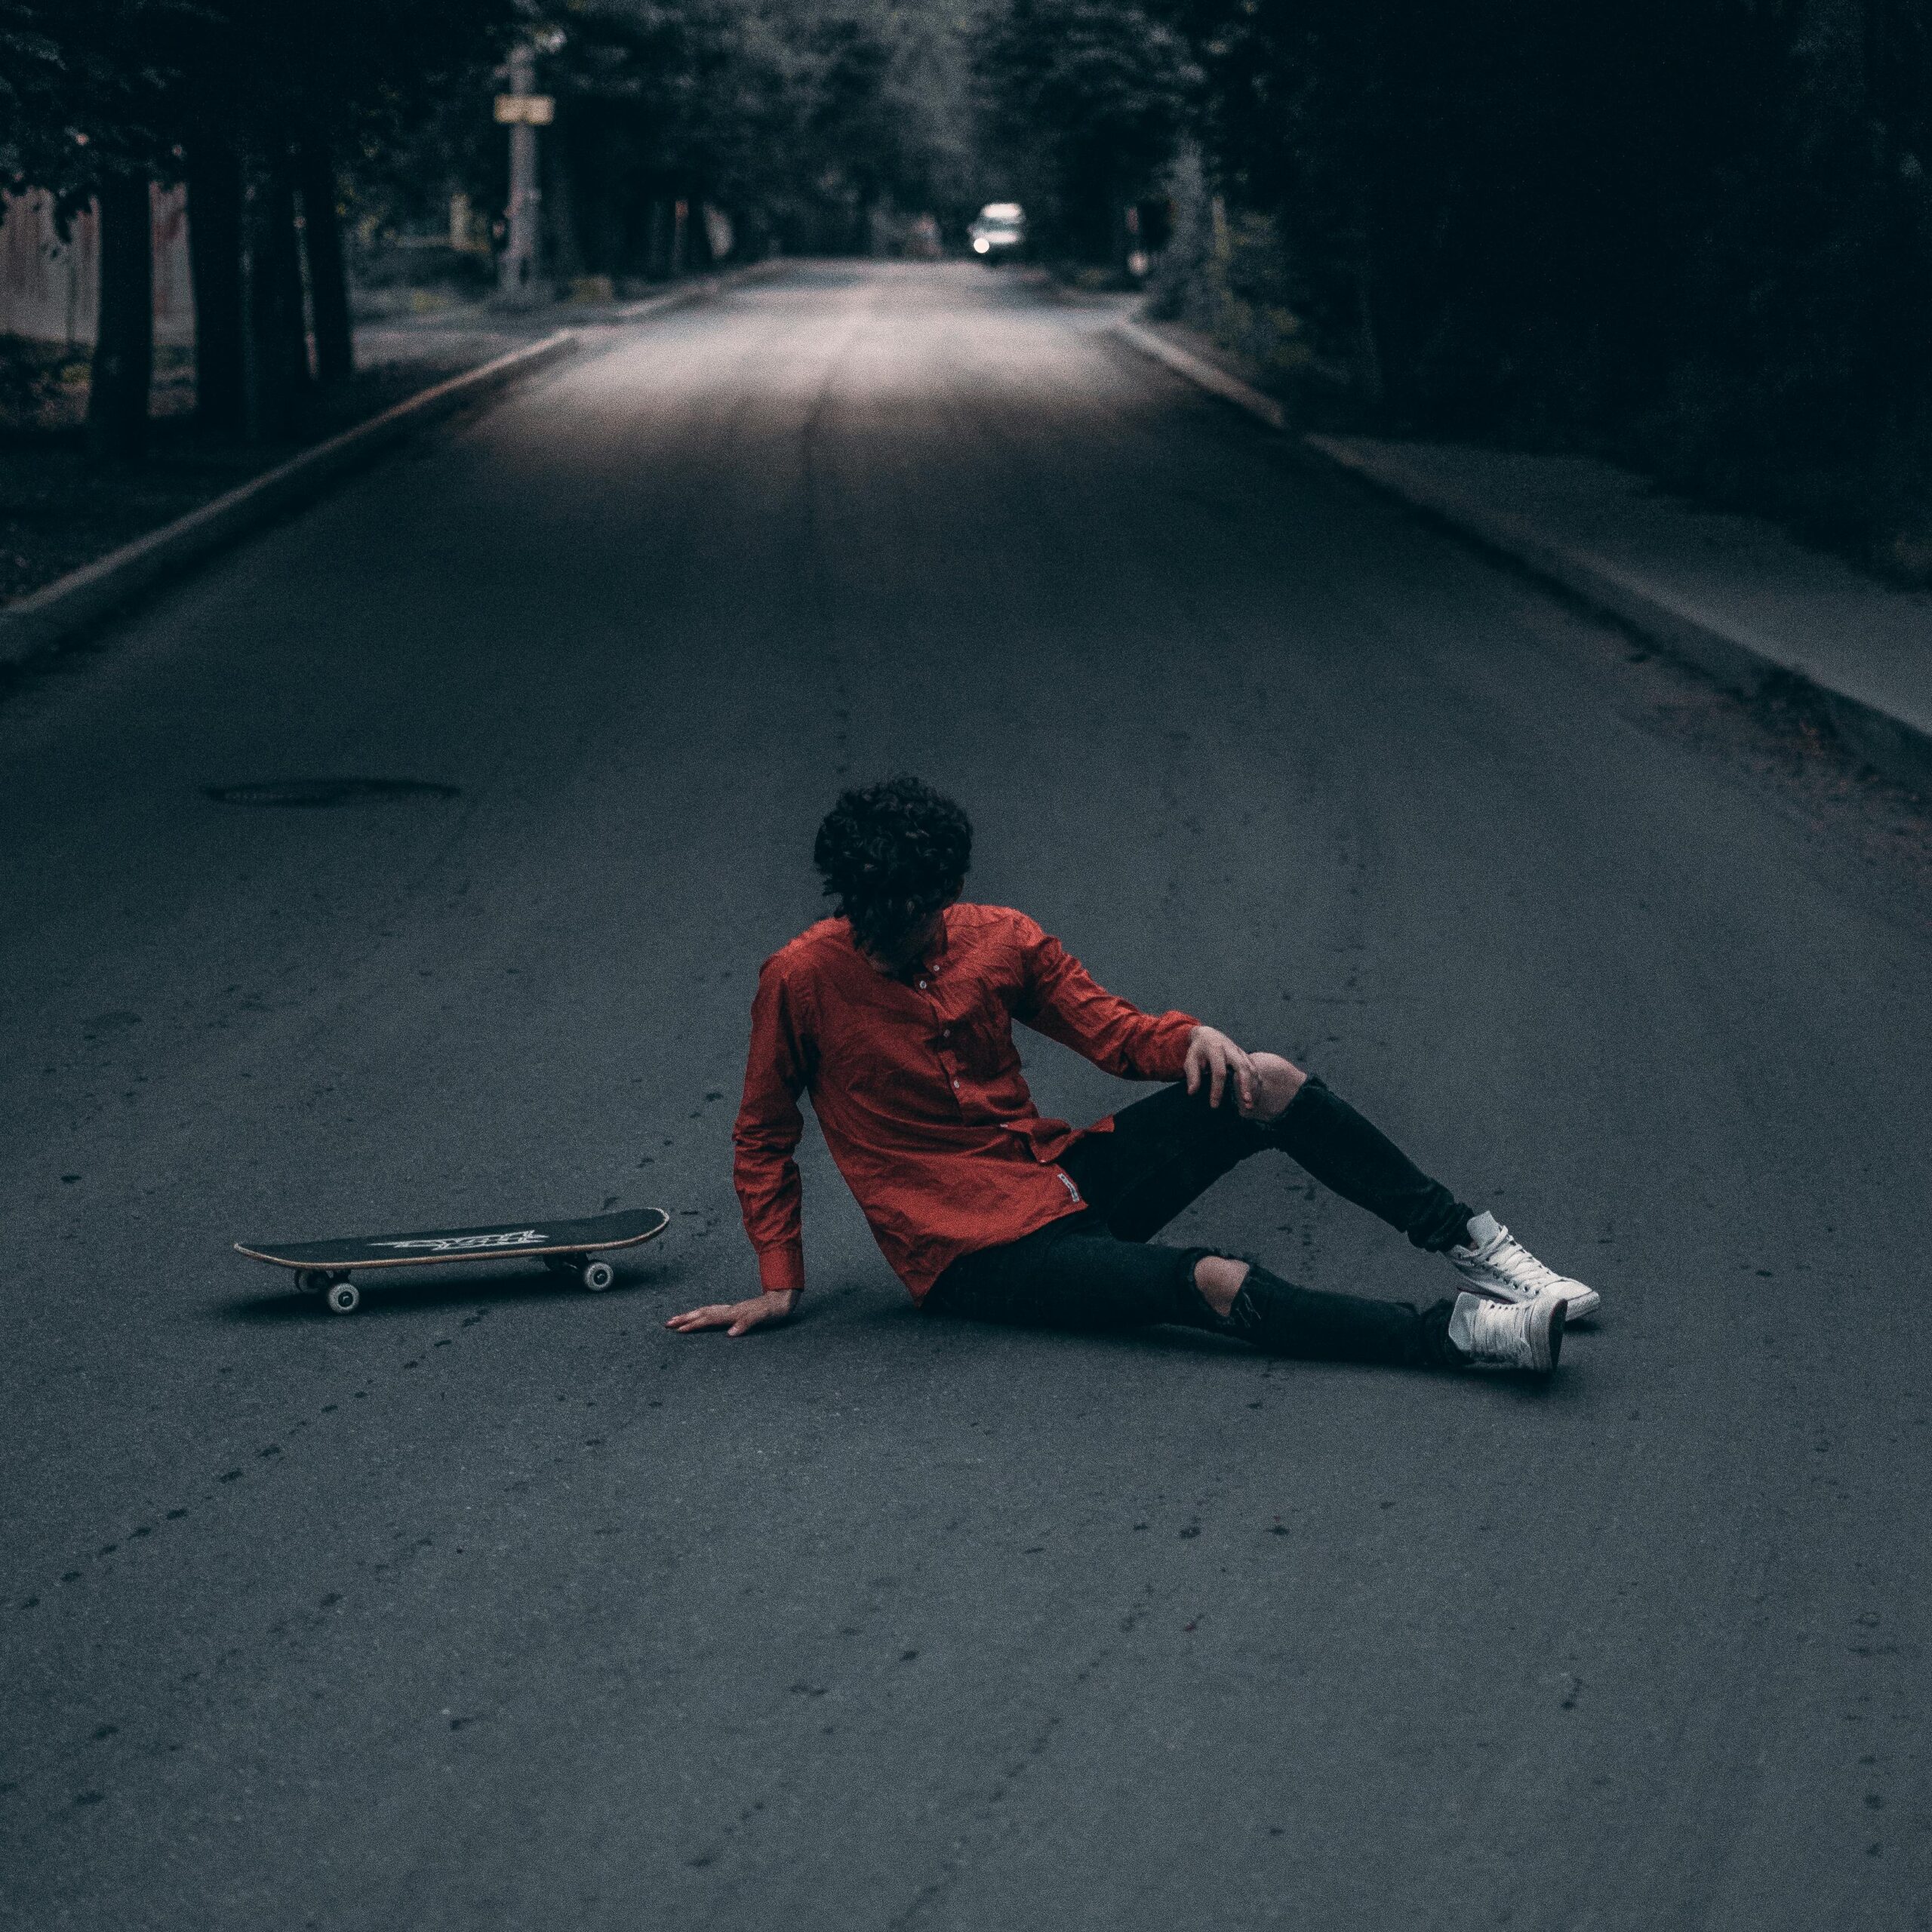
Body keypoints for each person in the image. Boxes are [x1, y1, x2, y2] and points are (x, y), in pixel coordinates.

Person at [667, 777, 1596, 1376]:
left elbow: (1113, 1034)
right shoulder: (801, 976)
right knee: (1211, 1280)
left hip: (1063, 1181)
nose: (880, 935)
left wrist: (1196, 1038)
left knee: (1261, 1079)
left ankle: (1482, 1247)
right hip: (971, 1256)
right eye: (865, 913)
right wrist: (778, 1278)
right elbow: (761, 1131)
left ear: (943, 897)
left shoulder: (1000, 939)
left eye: (905, 916)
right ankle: (1460, 1336)